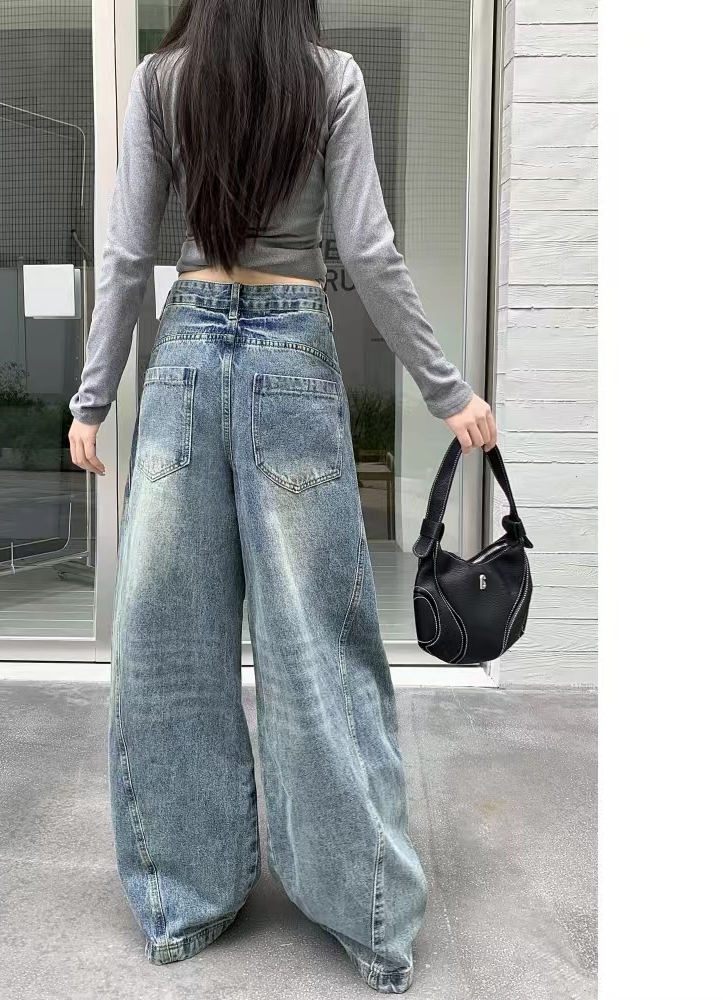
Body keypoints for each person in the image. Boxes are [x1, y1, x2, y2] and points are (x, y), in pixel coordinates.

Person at [68, 2, 496, 993]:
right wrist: (446, 390)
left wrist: (93, 398)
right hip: (291, 353)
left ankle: (184, 903)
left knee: (167, 644)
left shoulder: (160, 78)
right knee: (318, 648)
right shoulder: (330, 75)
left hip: (185, 355)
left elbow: (126, 255)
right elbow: (370, 252)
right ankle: (369, 918)